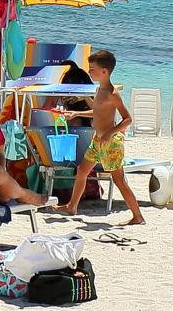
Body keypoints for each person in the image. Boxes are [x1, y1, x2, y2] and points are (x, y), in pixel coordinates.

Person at [50, 49, 145, 224]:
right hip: (97, 140)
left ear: (104, 71)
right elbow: (98, 113)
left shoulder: (112, 93)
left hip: (110, 143)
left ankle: (138, 216)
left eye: (92, 69)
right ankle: (72, 206)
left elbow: (128, 119)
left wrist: (110, 132)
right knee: (82, 171)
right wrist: (74, 114)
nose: (89, 72)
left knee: (119, 180)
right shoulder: (99, 90)